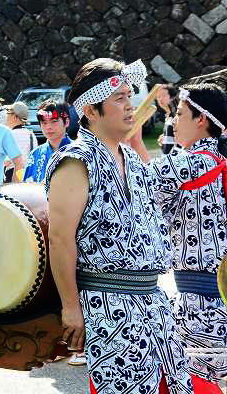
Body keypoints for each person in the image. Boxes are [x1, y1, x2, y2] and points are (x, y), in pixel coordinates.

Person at [45, 58, 193, 394]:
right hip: (109, 303)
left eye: (129, 96)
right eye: (119, 99)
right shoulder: (76, 161)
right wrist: (71, 306)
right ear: (91, 111)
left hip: (153, 302)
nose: (130, 106)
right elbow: (61, 239)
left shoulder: (133, 160)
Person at [146, 83, 227, 393]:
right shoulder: (215, 160)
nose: (173, 121)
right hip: (213, 295)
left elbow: (135, 182)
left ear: (201, 120)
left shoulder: (194, 162)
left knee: (195, 382)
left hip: (200, 301)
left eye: (179, 114)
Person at [22, 100, 71, 183]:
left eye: (54, 121)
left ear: (66, 122)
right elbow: (27, 186)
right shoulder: (35, 154)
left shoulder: (78, 152)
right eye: (44, 122)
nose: (48, 127)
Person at [3, 101, 38, 183]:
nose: (6, 116)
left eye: (8, 113)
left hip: (12, 176)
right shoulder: (31, 134)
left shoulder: (9, 135)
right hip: (28, 176)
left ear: (15, 117)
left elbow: (6, 161)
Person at [156, 84, 179, 155]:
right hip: (168, 156)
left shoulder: (177, 114)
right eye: (158, 97)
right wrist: (165, 137)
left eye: (163, 95)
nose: (160, 99)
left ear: (172, 97)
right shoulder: (168, 116)